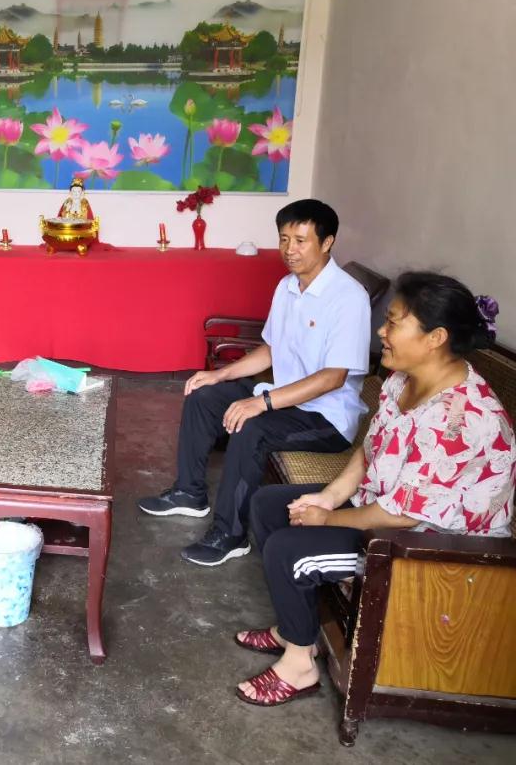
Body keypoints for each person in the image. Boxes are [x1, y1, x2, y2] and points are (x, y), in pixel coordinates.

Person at [234, 272, 513, 706]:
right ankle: (295, 632)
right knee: (270, 504)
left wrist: (328, 517)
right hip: (386, 509)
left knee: (288, 549)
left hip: (427, 550)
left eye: (393, 322)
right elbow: (370, 449)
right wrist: (328, 498)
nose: (381, 331)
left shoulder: (460, 419)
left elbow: (401, 515)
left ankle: (299, 666)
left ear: (435, 338)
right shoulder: (405, 379)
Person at [138, 199, 372, 566]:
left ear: (327, 243)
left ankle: (230, 535)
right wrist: (219, 374)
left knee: (252, 428)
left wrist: (261, 403)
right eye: (284, 239)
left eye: (301, 241)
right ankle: (189, 493)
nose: (289, 250)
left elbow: (333, 377)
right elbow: (271, 350)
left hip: (325, 418)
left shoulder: (348, 298)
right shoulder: (287, 287)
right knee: (204, 395)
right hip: (284, 398)